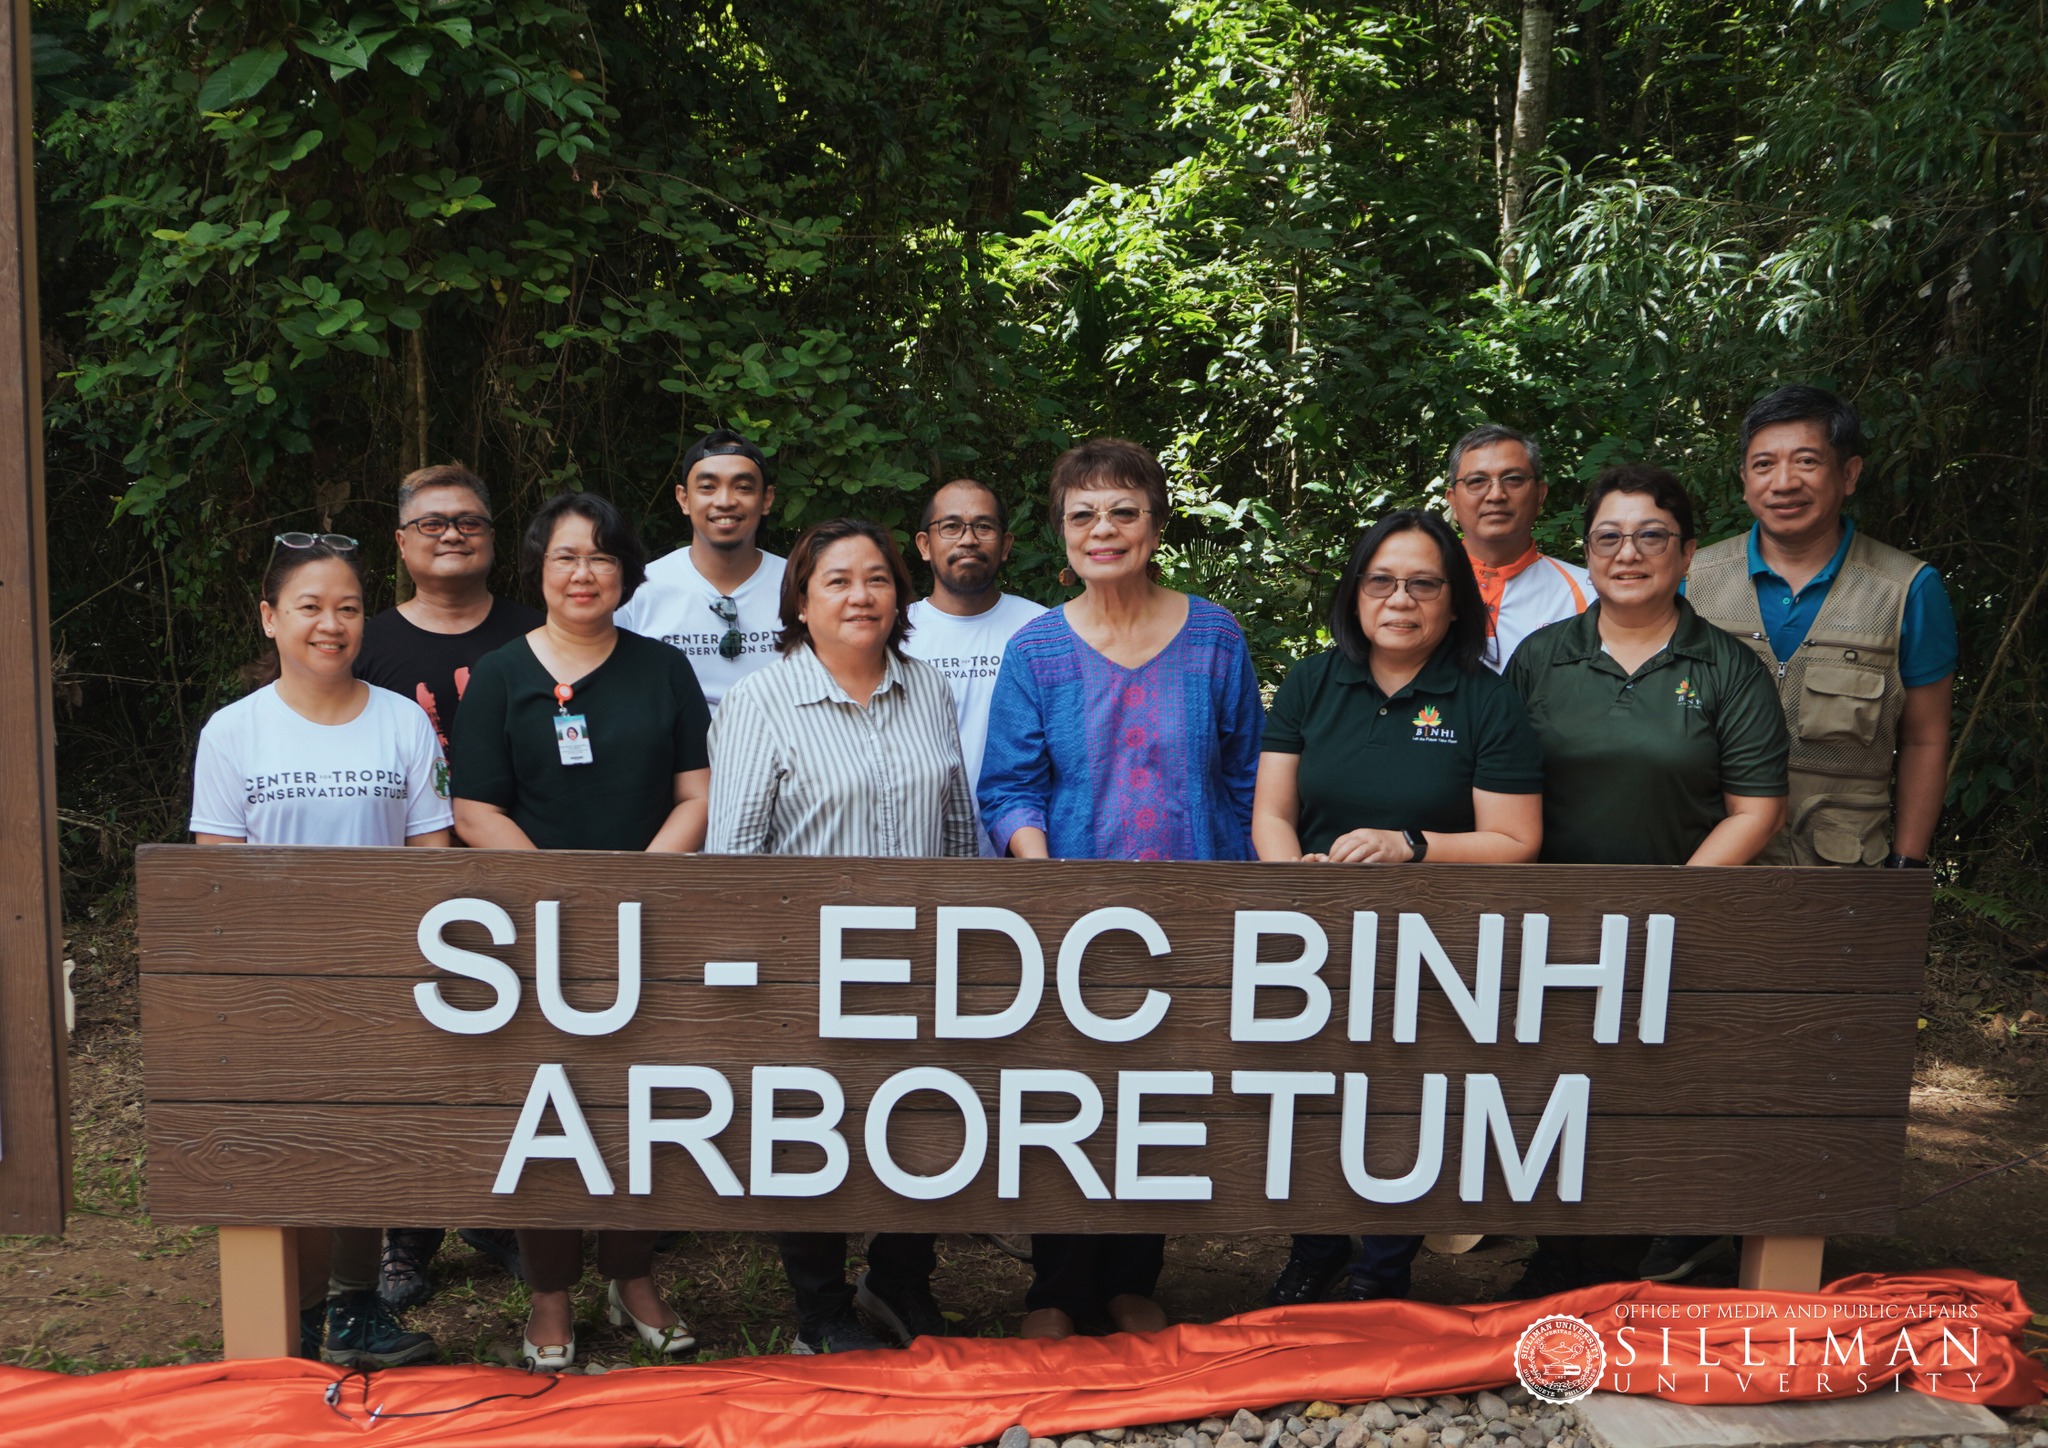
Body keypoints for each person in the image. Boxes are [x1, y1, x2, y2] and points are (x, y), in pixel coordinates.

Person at [978, 437, 1262, 1340]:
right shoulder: (1036, 648)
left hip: (1193, 907)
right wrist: (1045, 876)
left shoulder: (1216, 635)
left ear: (1156, 522)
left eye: (1123, 511)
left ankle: (1138, 1273)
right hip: (1069, 920)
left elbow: (1249, 776)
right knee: (1068, 1097)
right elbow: (1010, 785)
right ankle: (1057, 1289)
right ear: (1060, 533)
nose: (1103, 530)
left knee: (1164, 1096)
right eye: (1082, 515)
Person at [1507, 464, 1789, 1294]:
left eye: (1651, 535)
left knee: (1649, 1090)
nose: (1628, 552)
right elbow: (1495, 789)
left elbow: (1756, 809)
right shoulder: (1540, 658)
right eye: (1608, 536)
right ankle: (1554, 1259)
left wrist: (1672, 905)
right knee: (1555, 1090)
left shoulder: (1729, 668)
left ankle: (1639, 1270)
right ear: (1587, 551)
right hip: (1548, 929)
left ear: (1689, 551)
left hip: (1682, 926)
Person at [1252, 509, 1544, 1306]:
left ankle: (1382, 1273)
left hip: (1436, 947)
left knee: (1401, 1104)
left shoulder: (1486, 700)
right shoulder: (1314, 682)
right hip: (1313, 938)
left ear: (1454, 602)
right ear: (1354, 594)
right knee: (1310, 1100)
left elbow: (1516, 839)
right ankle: (1312, 1253)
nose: (1400, 600)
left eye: (1423, 583)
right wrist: (1293, 880)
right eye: (1381, 580)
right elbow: (1272, 813)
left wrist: (1411, 845)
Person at [451, 491, 710, 1369]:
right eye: (566, 556)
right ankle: (550, 1295)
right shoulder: (499, 674)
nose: (584, 573)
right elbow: (474, 806)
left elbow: (696, 794)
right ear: (539, 569)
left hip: (654, 920)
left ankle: (632, 1276)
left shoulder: (662, 669)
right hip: (530, 931)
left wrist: (638, 883)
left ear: (627, 573)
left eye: (602, 557)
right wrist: (557, 891)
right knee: (548, 1114)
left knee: (645, 1109)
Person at [707, 517, 976, 1354]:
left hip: (924, 956)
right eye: (837, 580)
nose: (861, 595)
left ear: (900, 594)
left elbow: (959, 824)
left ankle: (898, 1279)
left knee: (926, 1121)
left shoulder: (927, 685)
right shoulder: (760, 699)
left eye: (878, 579)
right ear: (801, 598)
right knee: (810, 1132)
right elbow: (736, 854)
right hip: (807, 966)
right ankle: (819, 1309)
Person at [189, 533, 450, 1369]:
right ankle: (297, 1317)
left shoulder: (404, 721)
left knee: (364, 1145)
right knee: (288, 1147)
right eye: (309, 607)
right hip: (274, 979)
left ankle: (354, 1308)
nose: (329, 625)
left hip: (384, 970)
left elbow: (432, 854)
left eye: (346, 608)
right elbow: (215, 874)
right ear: (270, 619)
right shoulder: (234, 733)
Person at [353, 462, 540, 1312]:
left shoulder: (537, 634)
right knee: (421, 1051)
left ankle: (502, 1212)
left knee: (516, 1048)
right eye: (433, 523)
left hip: (522, 862)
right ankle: (410, 1231)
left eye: (470, 520)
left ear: (494, 539)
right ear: (402, 543)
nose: (453, 533)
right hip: (407, 871)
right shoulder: (370, 640)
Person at [1687, 384, 1957, 869]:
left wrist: (1907, 863)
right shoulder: (1692, 582)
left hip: (1844, 870)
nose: (1783, 482)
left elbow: (1926, 738)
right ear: (1745, 478)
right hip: (1707, 864)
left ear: (1848, 474)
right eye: (1764, 464)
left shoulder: (1905, 589)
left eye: (1807, 461)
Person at [905, 477, 1046, 856]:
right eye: (950, 526)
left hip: (1028, 852)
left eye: (983, 526)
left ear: (1005, 546)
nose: (968, 539)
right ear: (924, 545)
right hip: (914, 851)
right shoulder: (893, 634)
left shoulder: (1042, 630)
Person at [614, 428, 785, 711]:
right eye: (707, 487)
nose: (725, 500)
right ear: (683, 498)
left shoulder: (801, 586)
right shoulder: (639, 590)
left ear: (766, 499)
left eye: (743, 487)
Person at [1443, 424, 1591, 672]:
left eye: (1513, 479)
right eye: (1477, 481)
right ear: (1453, 501)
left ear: (1540, 495)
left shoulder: (1586, 593)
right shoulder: (1417, 586)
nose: (1496, 495)